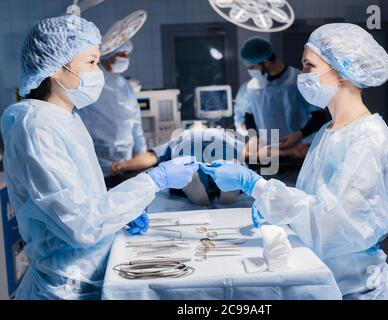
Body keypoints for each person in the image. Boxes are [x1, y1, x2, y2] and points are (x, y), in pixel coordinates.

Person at [200, 23, 388, 300]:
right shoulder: (329, 132)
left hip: (357, 287)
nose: (302, 75)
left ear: (342, 70)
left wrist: (256, 186)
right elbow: (312, 198)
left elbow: (333, 225)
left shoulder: (367, 140)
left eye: (309, 66)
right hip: (326, 277)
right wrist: (276, 209)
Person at [1, 15, 198, 300]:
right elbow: (81, 225)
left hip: (85, 274)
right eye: (91, 62)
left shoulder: (66, 117)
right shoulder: (36, 126)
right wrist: (154, 179)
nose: (98, 73)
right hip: (65, 285)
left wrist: (120, 214)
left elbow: (84, 202)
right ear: (56, 68)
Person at [78, 37, 152, 189]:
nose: (126, 58)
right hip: (100, 164)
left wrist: (142, 158)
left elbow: (135, 123)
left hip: (128, 164)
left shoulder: (124, 85)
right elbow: (81, 124)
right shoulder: (91, 83)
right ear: (108, 54)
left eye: (127, 54)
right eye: (122, 54)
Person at [112, 123, 246, 206]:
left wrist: (123, 165)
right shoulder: (224, 135)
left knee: (183, 167)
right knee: (231, 163)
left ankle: (190, 176)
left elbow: (151, 157)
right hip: (224, 152)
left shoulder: (180, 137)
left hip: (190, 155)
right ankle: (232, 179)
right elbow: (249, 153)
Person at [239, 37, 329, 157]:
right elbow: (249, 115)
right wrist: (253, 137)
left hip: (299, 150)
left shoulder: (298, 81)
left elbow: (319, 115)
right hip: (269, 153)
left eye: (252, 68)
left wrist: (300, 134)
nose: (250, 72)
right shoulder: (253, 86)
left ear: (265, 62)